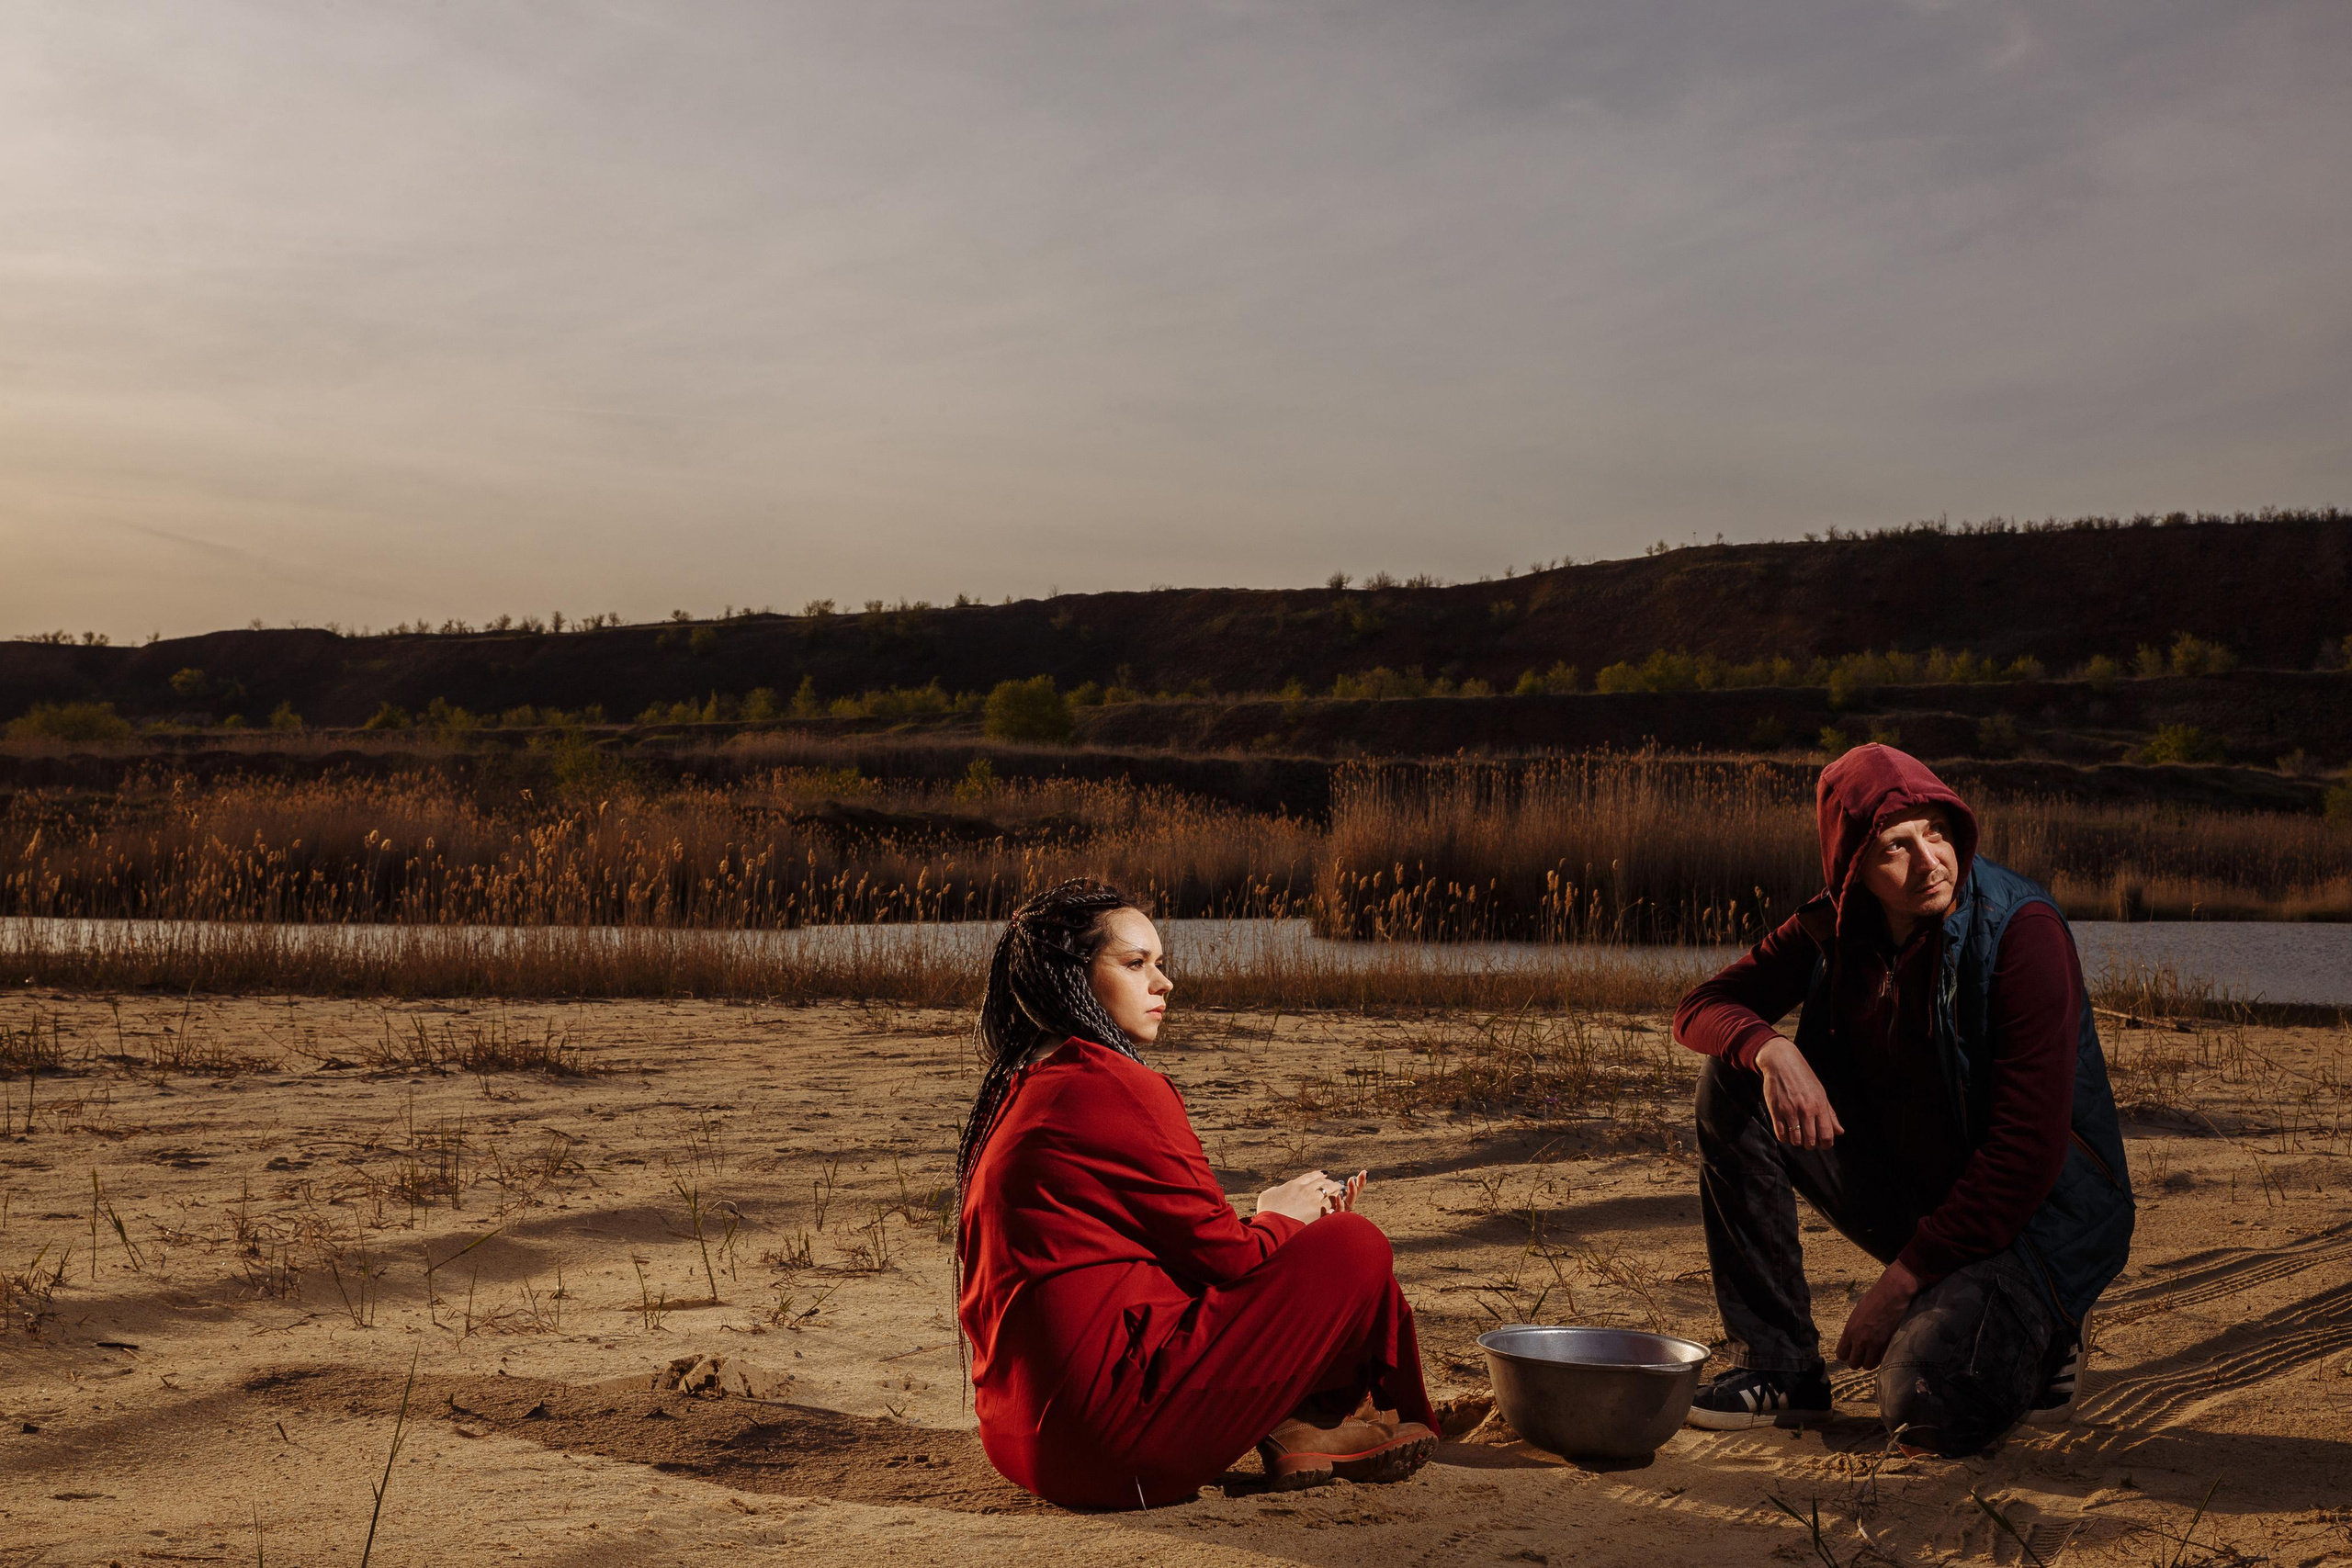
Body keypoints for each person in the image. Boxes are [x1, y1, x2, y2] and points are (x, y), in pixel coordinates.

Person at [1673, 745, 2133, 1456]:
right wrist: (1773, 1049)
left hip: (2040, 1219)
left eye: (1939, 833)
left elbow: (2025, 1155)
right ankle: (1782, 1366)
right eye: (1898, 844)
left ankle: (2047, 1326)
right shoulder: (1834, 927)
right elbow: (1702, 1006)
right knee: (1733, 1077)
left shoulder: (2022, 933)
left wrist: (1899, 1284)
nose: (1931, 861)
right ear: (1854, 864)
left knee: (1926, 1405)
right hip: (1925, 1184)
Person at [956, 877, 1439, 1509]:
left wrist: (1268, 1226)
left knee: (1266, 1254)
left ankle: (1298, 1425)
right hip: (1107, 1445)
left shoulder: (1014, 1088)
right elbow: (1229, 1257)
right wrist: (1277, 1215)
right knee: (1355, 1243)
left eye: (1160, 963)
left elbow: (1173, 1243)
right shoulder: (1113, 1083)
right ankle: (1324, 1413)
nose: (1164, 983)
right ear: (1073, 977)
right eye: (1136, 964)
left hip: (1017, 1439)